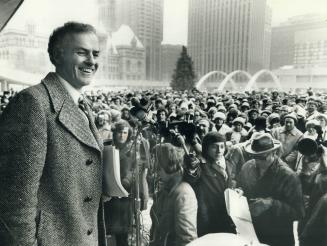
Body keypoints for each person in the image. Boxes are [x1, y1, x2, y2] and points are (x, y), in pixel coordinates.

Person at [0, 22, 106, 245]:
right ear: (57, 56)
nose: (92, 61)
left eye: (95, 54)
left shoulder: (82, 104)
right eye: (81, 52)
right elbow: (14, 203)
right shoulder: (32, 103)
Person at [238, 133, 305, 246]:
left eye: (262, 157)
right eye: (253, 156)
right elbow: (242, 185)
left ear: (274, 153)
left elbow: (299, 213)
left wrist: (271, 204)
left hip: (277, 236)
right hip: (251, 231)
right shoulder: (247, 166)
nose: (257, 161)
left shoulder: (288, 176)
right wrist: (240, 190)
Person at [104, 120, 149, 246]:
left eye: (125, 132)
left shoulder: (133, 149)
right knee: (108, 229)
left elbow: (136, 169)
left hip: (125, 195)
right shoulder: (107, 146)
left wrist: (126, 181)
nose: (122, 135)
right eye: (120, 132)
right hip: (110, 194)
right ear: (115, 133)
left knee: (122, 232)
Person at [185, 132, 236, 237]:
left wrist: (238, 189)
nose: (219, 150)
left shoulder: (229, 163)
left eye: (222, 146)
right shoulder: (201, 164)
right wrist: (192, 168)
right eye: (214, 147)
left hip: (228, 214)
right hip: (209, 215)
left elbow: (234, 182)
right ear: (206, 148)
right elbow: (192, 178)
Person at [150, 143, 198, 246]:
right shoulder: (166, 189)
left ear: (169, 165)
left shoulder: (183, 193)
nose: (155, 171)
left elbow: (187, 239)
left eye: (158, 167)